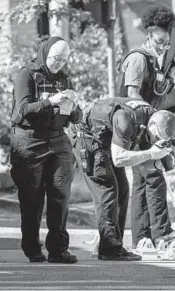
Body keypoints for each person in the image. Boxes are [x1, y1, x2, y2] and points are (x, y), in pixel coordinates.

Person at [68, 97, 175, 261]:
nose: (154, 141)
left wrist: (157, 163)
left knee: (122, 188)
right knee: (107, 187)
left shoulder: (152, 119)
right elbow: (119, 159)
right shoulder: (126, 120)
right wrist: (151, 153)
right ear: (152, 125)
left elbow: (141, 162)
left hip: (105, 140)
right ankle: (108, 248)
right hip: (86, 137)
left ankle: (113, 242)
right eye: (156, 137)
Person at [117, 4, 175, 249]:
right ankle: (162, 233)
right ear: (149, 36)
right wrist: (150, 127)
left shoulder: (158, 62)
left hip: (147, 125)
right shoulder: (138, 59)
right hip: (138, 125)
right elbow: (133, 96)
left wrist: (171, 74)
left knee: (141, 181)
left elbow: (159, 91)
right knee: (154, 174)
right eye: (160, 42)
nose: (163, 47)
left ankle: (142, 238)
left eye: (167, 43)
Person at [10, 36, 82, 263]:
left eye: (64, 59)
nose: (59, 63)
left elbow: (74, 118)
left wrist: (74, 106)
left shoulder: (64, 79)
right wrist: (51, 101)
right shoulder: (27, 74)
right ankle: (32, 248)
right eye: (55, 58)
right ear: (44, 54)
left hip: (58, 140)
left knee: (61, 195)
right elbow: (21, 110)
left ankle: (58, 249)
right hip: (29, 141)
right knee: (32, 198)